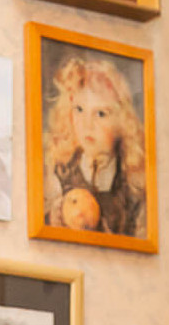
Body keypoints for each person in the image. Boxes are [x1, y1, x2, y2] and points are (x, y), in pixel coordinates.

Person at [42, 55, 146, 237]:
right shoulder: (58, 172)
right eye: (79, 110)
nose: (87, 124)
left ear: (123, 122)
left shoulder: (133, 188)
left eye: (100, 114)